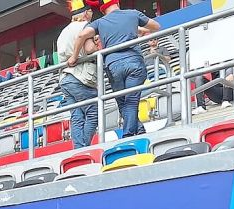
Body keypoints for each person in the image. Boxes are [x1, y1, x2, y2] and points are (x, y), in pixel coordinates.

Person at [68, 0, 160, 138]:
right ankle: (130, 134)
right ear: (117, 3)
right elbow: (156, 26)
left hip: (113, 66)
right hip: (134, 62)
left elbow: (82, 35)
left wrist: (74, 57)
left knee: (123, 102)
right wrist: (135, 28)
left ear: (103, 9)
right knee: (131, 100)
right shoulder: (132, 14)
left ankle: (137, 131)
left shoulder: (100, 22)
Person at [58, 0, 100, 149]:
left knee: (76, 116)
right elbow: (89, 49)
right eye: (90, 12)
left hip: (65, 78)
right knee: (94, 113)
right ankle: (83, 147)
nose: (91, 15)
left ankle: (78, 148)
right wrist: (98, 46)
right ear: (85, 13)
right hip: (81, 76)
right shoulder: (85, 26)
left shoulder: (63, 32)